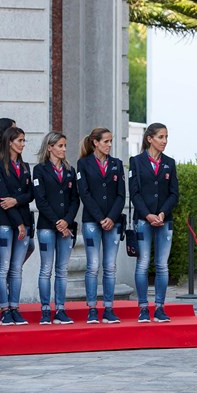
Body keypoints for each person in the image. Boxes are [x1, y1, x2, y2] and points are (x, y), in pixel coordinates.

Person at [129, 123, 179, 323]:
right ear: (150, 138)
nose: (164, 141)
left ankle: (159, 307)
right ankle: (143, 308)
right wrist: (148, 215)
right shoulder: (137, 162)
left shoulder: (170, 162)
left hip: (164, 221)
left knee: (162, 265)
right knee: (143, 264)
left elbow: (174, 193)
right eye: (160, 137)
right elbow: (134, 193)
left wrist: (162, 213)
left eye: (166, 137)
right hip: (143, 220)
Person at [77, 128, 125, 324]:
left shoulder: (117, 164)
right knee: (93, 265)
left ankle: (108, 307)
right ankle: (91, 308)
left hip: (112, 222)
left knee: (110, 266)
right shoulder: (84, 164)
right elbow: (84, 193)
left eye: (111, 141)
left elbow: (121, 194)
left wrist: (111, 218)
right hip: (92, 221)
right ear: (95, 143)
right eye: (105, 141)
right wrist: (100, 218)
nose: (109, 145)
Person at [33, 131, 79, 325]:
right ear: (50, 147)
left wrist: (66, 221)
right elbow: (40, 200)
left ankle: (60, 309)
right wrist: (57, 222)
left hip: (66, 227)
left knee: (62, 270)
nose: (64, 149)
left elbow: (75, 199)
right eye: (60, 146)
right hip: (47, 226)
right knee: (46, 269)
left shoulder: (70, 170)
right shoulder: (39, 170)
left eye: (65, 146)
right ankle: (45, 309)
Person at [0, 126, 34, 326]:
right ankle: (5, 308)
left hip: (22, 219)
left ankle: (15, 307)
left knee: (16, 268)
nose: (22, 144)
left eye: (24, 141)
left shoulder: (25, 167)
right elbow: (2, 196)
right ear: (9, 142)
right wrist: (18, 223)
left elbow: (30, 194)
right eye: (19, 141)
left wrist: (16, 201)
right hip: (5, 222)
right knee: (3, 267)